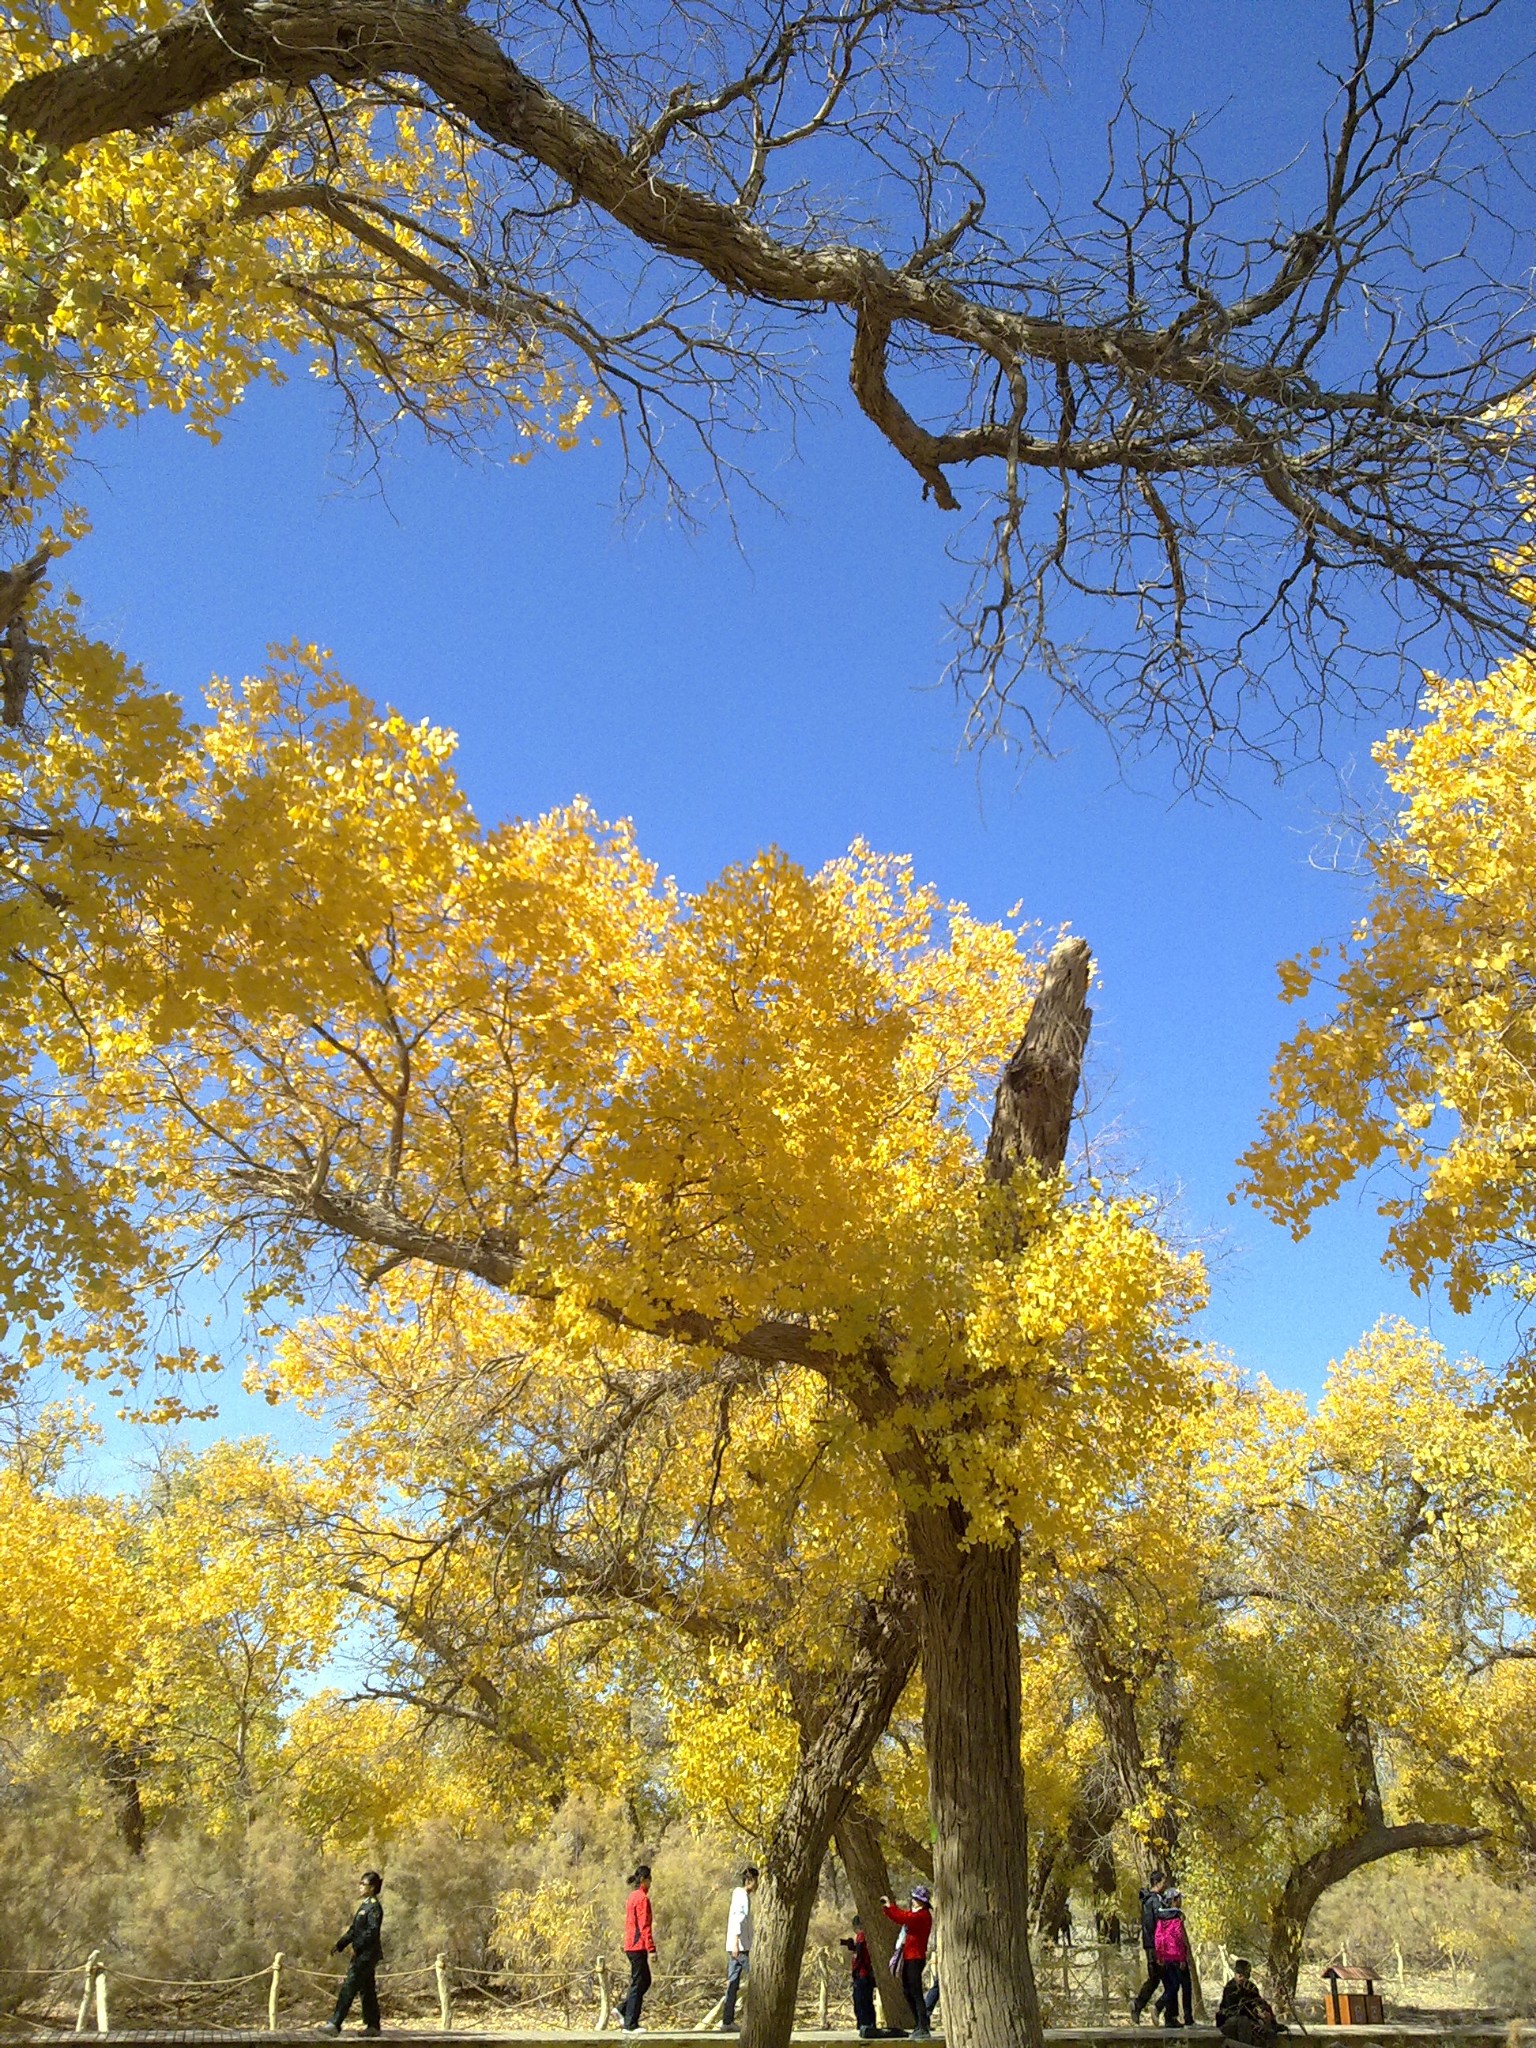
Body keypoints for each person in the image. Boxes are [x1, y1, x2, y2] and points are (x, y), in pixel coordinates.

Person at [320, 1870, 384, 2037]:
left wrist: (358, 1945)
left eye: (363, 1884)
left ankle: (335, 2024)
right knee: (367, 1990)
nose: (360, 1887)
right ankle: (373, 2026)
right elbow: (354, 1930)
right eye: (360, 1883)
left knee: (349, 1987)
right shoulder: (364, 1906)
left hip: (367, 1955)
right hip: (362, 1954)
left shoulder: (374, 1907)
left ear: (372, 1887)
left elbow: (372, 1931)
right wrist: (341, 1944)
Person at [882, 1884, 933, 2041]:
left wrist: (890, 1907)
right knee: (907, 1990)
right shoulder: (916, 1914)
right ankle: (919, 2023)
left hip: (915, 1957)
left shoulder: (922, 1916)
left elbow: (903, 1917)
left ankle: (923, 2025)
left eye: (917, 1899)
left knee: (915, 1991)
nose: (914, 1901)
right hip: (908, 1957)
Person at [721, 1865, 759, 2030]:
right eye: (756, 1881)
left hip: (737, 1945)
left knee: (733, 1983)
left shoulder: (741, 1896)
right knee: (759, 1979)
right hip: (740, 1947)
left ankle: (727, 2021)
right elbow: (738, 1919)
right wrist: (737, 1942)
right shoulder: (742, 1897)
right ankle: (757, 2019)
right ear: (750, 1881)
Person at [1216, 1961, 1287, 2047]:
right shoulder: (1230, 1988)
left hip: (1249, 2020)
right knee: (1244, 2021)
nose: (1240, 1977)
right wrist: (1256, 2015)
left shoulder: (1251, 1987)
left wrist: (1266, 2015)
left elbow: (1259, 2002)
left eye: (1243, 1975)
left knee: (1265, 2026)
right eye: (1238, 1974)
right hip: (1229, 2021)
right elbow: (1236, 2009)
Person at [1130, 1871, 1169, 2025]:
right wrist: (1160, 1949)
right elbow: (1158, 1926)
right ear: (1158, 1883)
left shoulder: (1146, 1900)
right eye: (1163, 1882)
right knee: (1171, 1981)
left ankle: (1138, 2005)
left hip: (1149, 1945)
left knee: (1154, 1979)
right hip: (1156, 1946)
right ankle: (1159, 2009)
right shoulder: (1155, 1901)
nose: (1165, 1885)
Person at [622, 1865, 657, 2033]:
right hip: (638, 1945)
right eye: (649, 1879)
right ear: (643, 1880)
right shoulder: (642, 1898)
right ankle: (630, 2024)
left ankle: (622, 2009)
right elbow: (644, 1926)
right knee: (639, 1982)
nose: (651, 1882)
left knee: (644, 1980)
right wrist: (651, 1948)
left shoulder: (631, 1896)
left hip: (630, 1944)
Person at [1152, 1888, 1193, 2030]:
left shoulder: (1161, 1917)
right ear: (1174, 1900)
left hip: (1166, 1958)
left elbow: (1158, 1938)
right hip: (1177, 1956)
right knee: (1185, 1986)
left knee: (1172, 1985)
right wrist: (1183, 1957)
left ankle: (1171, 2017)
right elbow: (1178, 1938)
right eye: (1179, 1898)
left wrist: (1160, 1955)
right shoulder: (1176, 1917)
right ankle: (1187, 2018)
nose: (1181, 1901)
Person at [840, 1916, 878, 2039]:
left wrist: (857, 1948)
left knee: (861, 2003)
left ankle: (864, 2026)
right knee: (867, 2002)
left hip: (862, 1975)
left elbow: (860, 1954)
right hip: (865, 1976)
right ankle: (870, 2025)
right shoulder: (866, 1937)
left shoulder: (862, 1936)